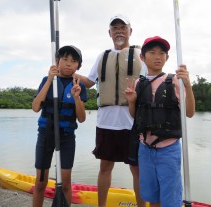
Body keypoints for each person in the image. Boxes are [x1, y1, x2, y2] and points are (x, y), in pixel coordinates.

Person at [75, 14, 146, 206]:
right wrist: (69, 71)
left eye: (123, 27)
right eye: (115, 28)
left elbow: (152, 79)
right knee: (105, 166)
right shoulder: (102, 56)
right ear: (109, 33)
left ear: (130, 31)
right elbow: (89, 82)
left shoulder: (141, 55)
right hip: (106, 121)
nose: (119, 31)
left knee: (137, 169)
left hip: (132, 122)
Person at [125, 36, 195, 207]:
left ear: (167, 57)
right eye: (152, 52)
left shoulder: (175, 81)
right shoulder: (138, 83)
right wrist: (132, 101)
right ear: (142, 57)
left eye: (162, 53)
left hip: (168, 150)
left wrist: (188, 85)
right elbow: (135, 116)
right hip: (145, 149)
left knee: (170, 199)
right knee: (152, 196)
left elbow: (190, 113)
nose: (157, 56)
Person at [32, 45, 87, 207]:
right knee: (41, 182)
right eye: (65, 59)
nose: (68, 64)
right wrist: (49, 80)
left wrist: (77, 98)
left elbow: (82, 118)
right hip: (46, 135)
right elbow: (35, 107)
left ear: (79, 66)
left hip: (66, 138)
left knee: (66, 184)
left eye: (73, 61)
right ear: (57, 61)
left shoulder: (79, 85)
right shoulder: (47, 80)